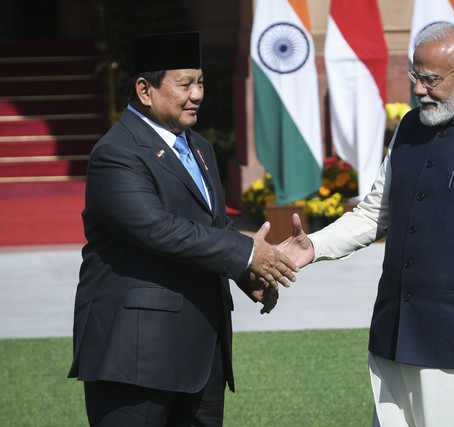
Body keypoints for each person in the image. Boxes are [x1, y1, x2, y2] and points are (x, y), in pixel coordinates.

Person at [279, 22, 454, 426]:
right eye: (415, 77)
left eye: (430, 79)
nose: (419, 90)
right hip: (396, 340)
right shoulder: (408, 128)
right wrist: (314, 247)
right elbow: (375, 212)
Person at [68, 32, 298, 426]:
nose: (197, 95)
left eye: (202, 82)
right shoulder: (115, 153)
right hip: (135, 356)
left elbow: (215, 224)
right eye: (185, 84)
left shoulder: (200, 147)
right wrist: (245, 253)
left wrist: (249, 273)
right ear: (145, 89)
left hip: (202, 354)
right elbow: (157, 229)